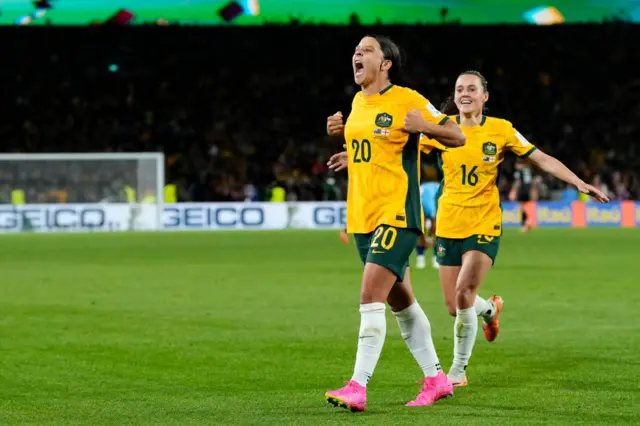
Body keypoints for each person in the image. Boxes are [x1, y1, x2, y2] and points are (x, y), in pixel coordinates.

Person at [328, 69, 609, 390]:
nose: (465, 93)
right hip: (449, 223)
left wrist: (578, 182)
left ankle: (457, 372)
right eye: (460, 88)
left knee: (463, 293)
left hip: (484, 222)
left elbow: (541, 158)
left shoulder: (501, 130)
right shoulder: (440, 131)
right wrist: (353, 155)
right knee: (453, 305)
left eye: (472, 89)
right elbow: (392, 151)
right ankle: (489, 309)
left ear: (484, 96)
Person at [323, 35, 466, 412]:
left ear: (385, 63)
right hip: (362, 218)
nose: (357, 54)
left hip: (397, 214)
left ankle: (358, 386)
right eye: (354, 50)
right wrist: (346, 150)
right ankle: (436, 379)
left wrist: (427, 125)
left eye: (366, 50)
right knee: (402, 304)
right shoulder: (357, 103)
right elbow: (375, 151)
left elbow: (457, 134)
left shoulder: (407, 99)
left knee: (370, 296)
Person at [416, 178, 439, 269]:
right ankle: (420, 258)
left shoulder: (436, 188)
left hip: (432, 207)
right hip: (420, 207)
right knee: (419, 231)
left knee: (436, 231)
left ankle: (436, 258)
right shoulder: (421, 190)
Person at [508, 157, 534, 232]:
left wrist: (513, 191)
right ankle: (528, 222)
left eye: (517, 164)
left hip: (522, 190)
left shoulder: (519, 171)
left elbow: (517, 182)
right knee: (525, 207)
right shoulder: (528, 170)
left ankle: (526, 224)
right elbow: (531, 181)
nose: (516, 165)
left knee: (522, 207)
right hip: (528, 190)